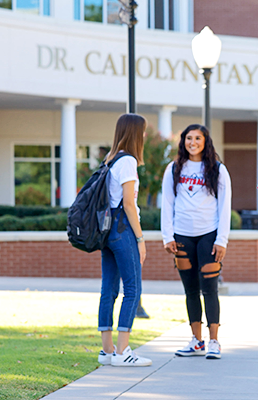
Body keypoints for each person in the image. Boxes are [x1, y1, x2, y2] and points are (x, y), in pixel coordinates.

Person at [161, 124, 232, 360]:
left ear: (205, 141)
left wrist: (222, 240)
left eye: (198, 138)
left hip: (209, 235)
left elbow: (225, 207)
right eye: (189, 138)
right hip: (182, 236)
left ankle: (214, 341)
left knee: (209, 288)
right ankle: (196, 342)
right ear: (183, 142)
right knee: (190, 289)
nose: (193, 142)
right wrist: (167, 236)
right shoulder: (173, 169)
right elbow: (168, 204)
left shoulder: (218, 170)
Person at [97, 113, 152, 367]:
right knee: (133, 289)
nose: (144, 137)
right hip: (123, 230)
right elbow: (129, 204)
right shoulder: (128, 161)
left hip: (106, 232)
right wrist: (140, 238)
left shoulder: (110, 159)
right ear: (134, 133)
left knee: (108, 289)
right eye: (142, 132)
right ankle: (123, 352)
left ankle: (107, 351)